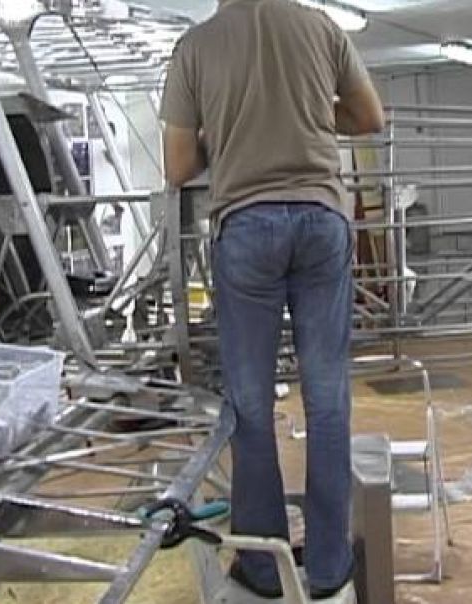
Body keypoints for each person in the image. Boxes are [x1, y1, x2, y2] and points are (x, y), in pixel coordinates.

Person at [159, 0, 384, 599]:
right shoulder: (320, 27)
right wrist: (306, 114)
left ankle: (263, 567)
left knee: (251, 404)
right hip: (321, 218)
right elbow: (369, 118)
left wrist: (230, 130)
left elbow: (178, 164)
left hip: (247, 226)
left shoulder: (196, 47)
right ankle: (331, 569)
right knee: (328, 398)